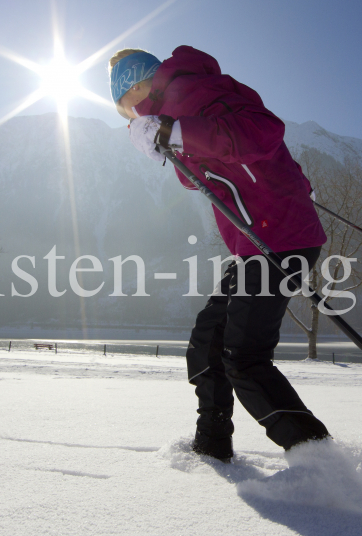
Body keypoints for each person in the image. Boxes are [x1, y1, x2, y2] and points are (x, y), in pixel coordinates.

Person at [109, 46, 331, 462]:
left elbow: (262, 131)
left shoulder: (194, 90)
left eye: (127, 110)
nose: (133, 119)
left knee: (244, 359)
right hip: (256, 241)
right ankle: (211, 446)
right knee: (205, 344)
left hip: (281, 236)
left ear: (137, 88)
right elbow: (206, 179)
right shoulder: (173, 106)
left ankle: (321, 462)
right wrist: (168, 144)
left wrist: (173, 130)